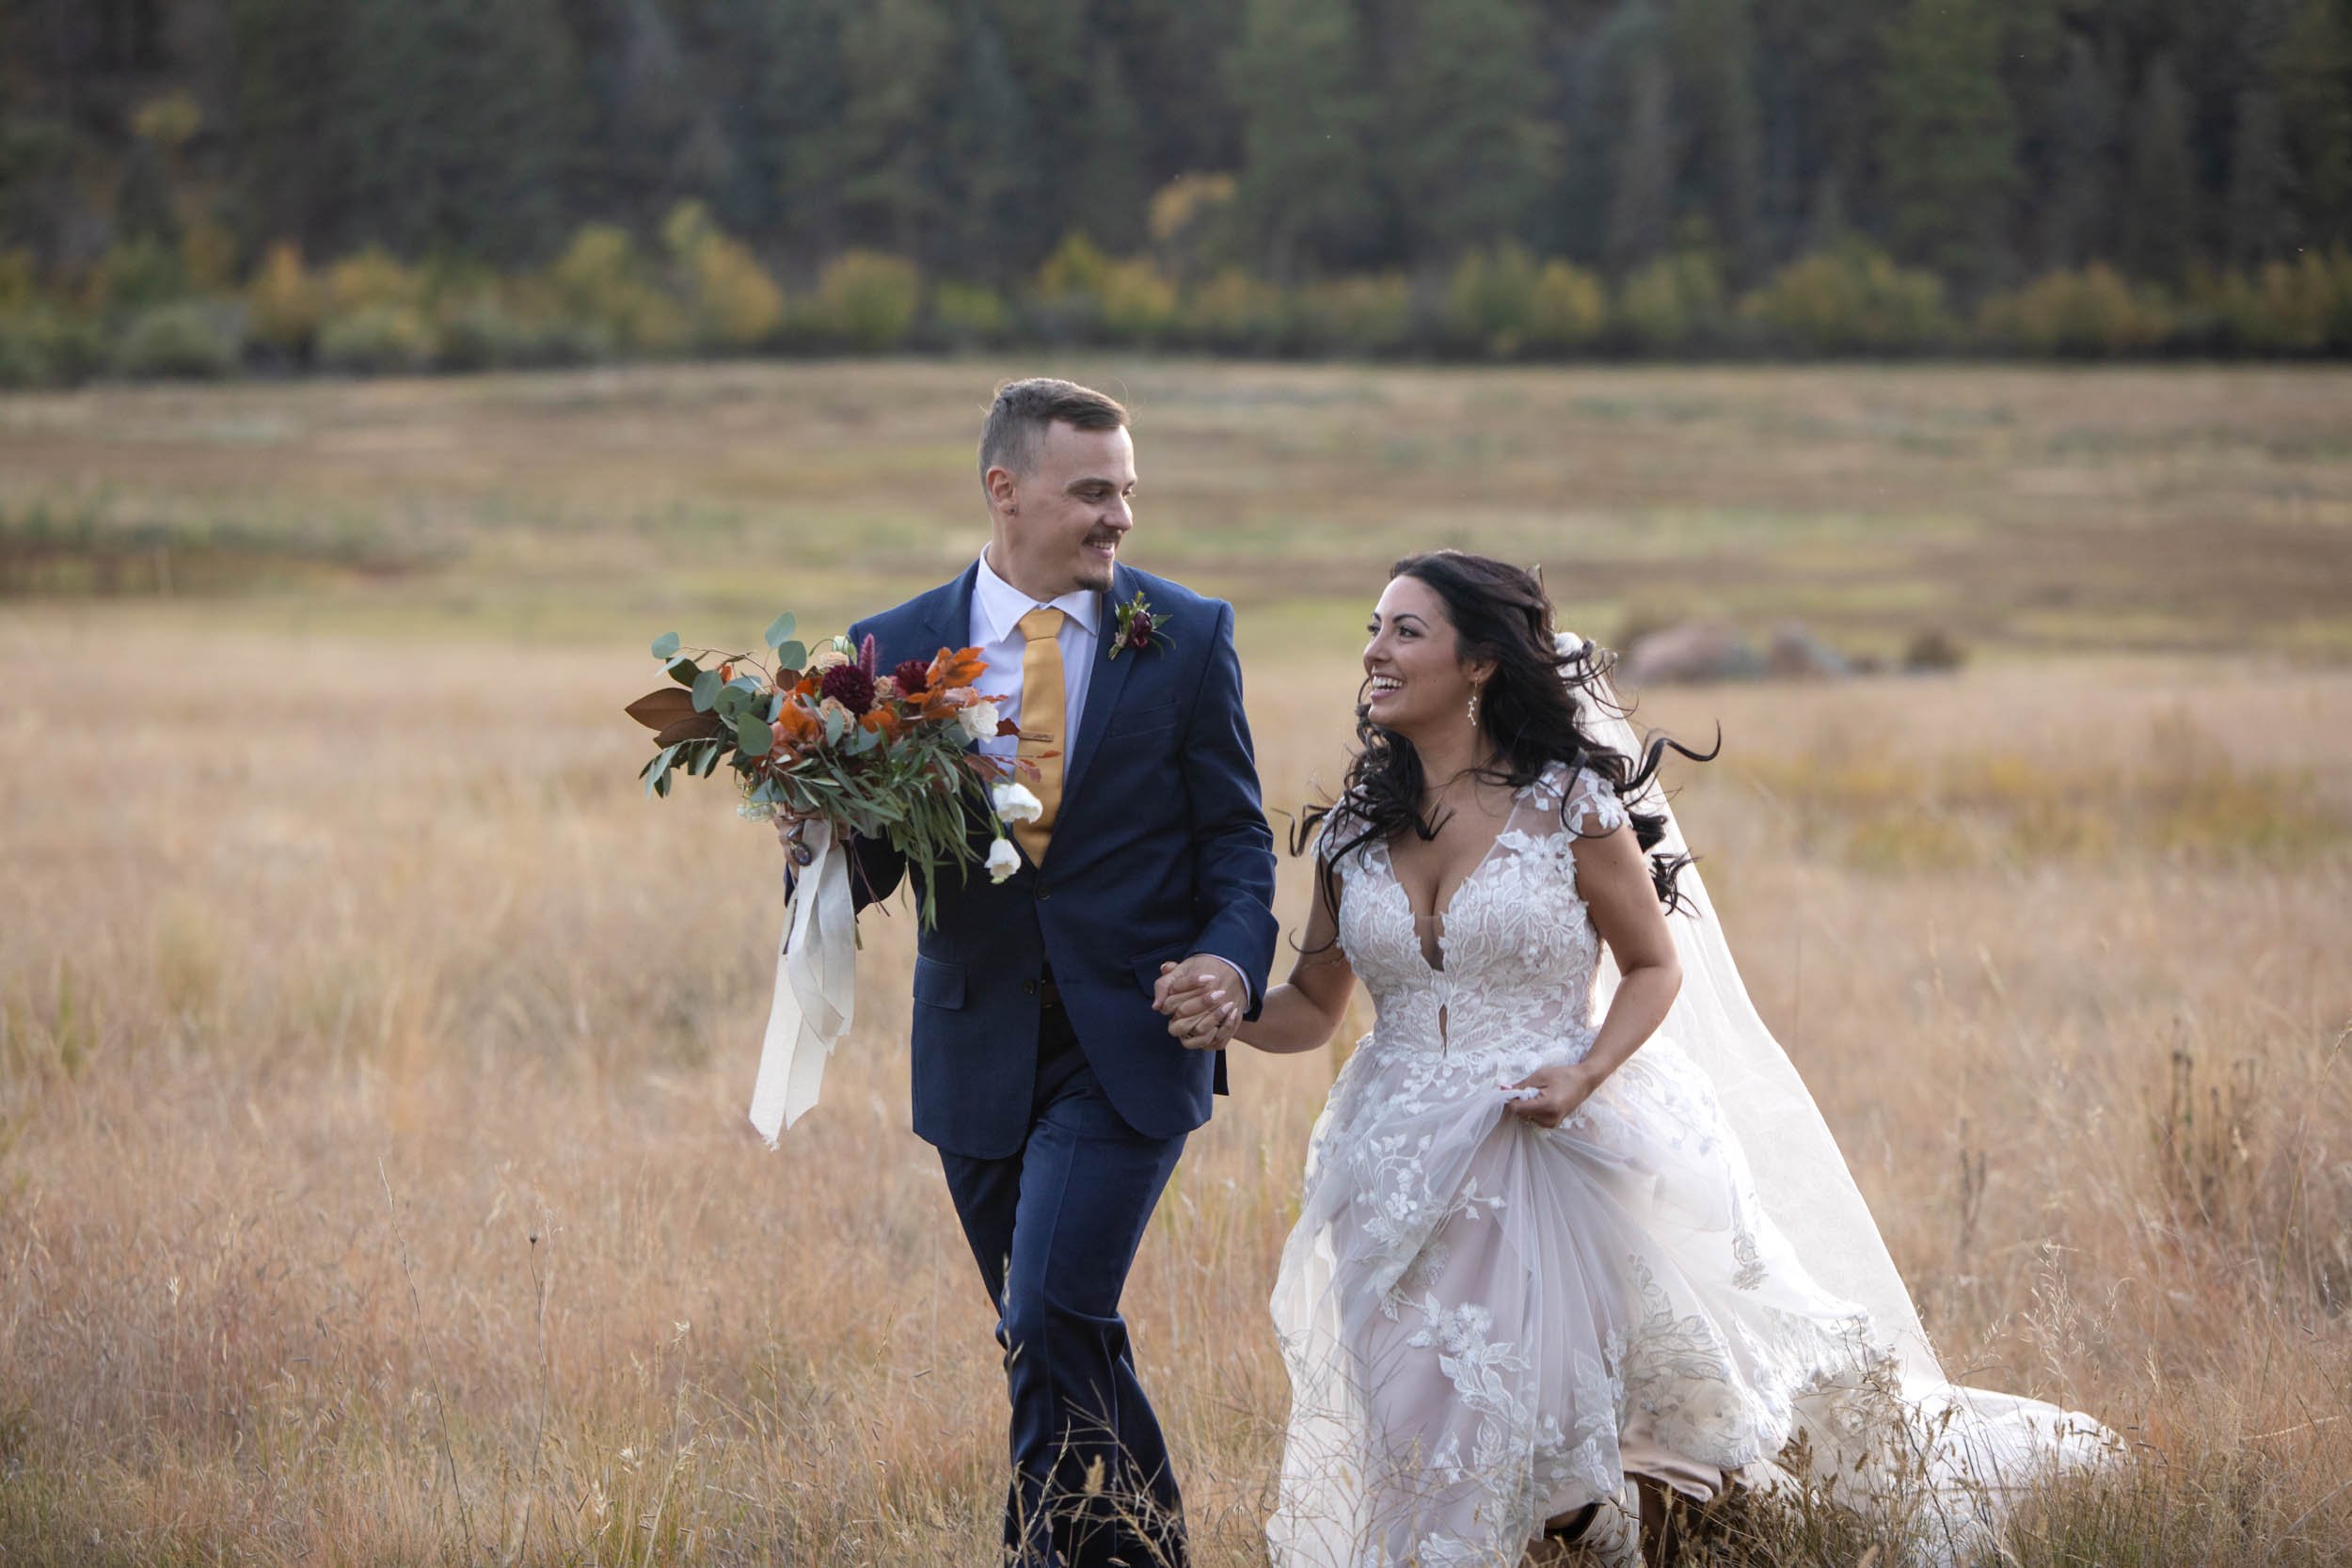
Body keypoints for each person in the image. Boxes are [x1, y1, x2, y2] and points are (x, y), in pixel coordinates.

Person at [1154, 551, 2112, 1567]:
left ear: (1479, 663)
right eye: (1372, 628)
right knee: (1419, 1435)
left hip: (1555, 1148)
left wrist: (1583, 1071)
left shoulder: (1568, 805)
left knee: (1576, 1443)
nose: (1372, 653)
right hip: (1392, 1166)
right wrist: (1233, 1009)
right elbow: (1313, 1005)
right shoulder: (1353, 828)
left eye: (1403, 631)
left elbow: (1654, 965)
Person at [777, 378, 1278, 1566]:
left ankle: (1043, 1553)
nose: (1119, 519)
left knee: (1050, 1307)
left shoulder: (1188, 632)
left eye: (1127, 493)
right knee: (1045, 1329)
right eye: (1092, 492)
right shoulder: (886, 653)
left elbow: (1239, 839)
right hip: (976, 1047)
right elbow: (876, 872)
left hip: (1135, 1039)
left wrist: (1229, 957)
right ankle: (1140, 1546)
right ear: (1004, 490)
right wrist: (815, 839)